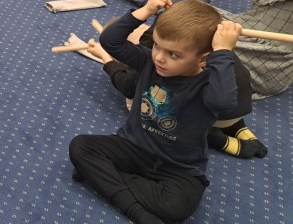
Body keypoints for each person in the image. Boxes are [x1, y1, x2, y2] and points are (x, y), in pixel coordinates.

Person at [69, 0, 241, 224]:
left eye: (173, 54)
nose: (159, 57)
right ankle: (137, 212)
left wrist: (224, 51)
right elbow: (109, 41)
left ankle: (102, 177)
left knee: (178, 206)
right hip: (131, 146)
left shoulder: (208, 84)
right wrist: (146, 9)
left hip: (177, 167)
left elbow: (224, 102)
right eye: (158, 46)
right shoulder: (148, 62)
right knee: (80, 146)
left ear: (203, 58)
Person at [88, 21, 267, 159]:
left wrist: (106, 58)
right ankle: (238, 127)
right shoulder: (183, 30)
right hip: (241, 103)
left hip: (217, 111)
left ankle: (218, 139)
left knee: (139, 100)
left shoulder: (150, 48)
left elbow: (127, 87)